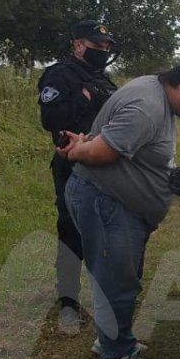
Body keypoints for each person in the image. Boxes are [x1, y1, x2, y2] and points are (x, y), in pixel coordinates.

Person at [58, 59, 180, 359]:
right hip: (106, 201)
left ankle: (112, 341)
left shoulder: (154, 93)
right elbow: (101, 152)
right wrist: (75, 152)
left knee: (121, 277)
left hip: (118, 205)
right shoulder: (147, 107)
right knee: (114, 282)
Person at [37, 20, 119, 335]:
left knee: (107, 230)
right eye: (97, 45)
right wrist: (83, 97)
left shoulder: (102, 78)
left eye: (106, 46)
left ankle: (106, 298)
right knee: (71, 231)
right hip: (72, 165)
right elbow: (50, 118)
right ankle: (69, 302)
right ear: (78, 45)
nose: (103, 51)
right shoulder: (61, 75)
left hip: (105, 166)